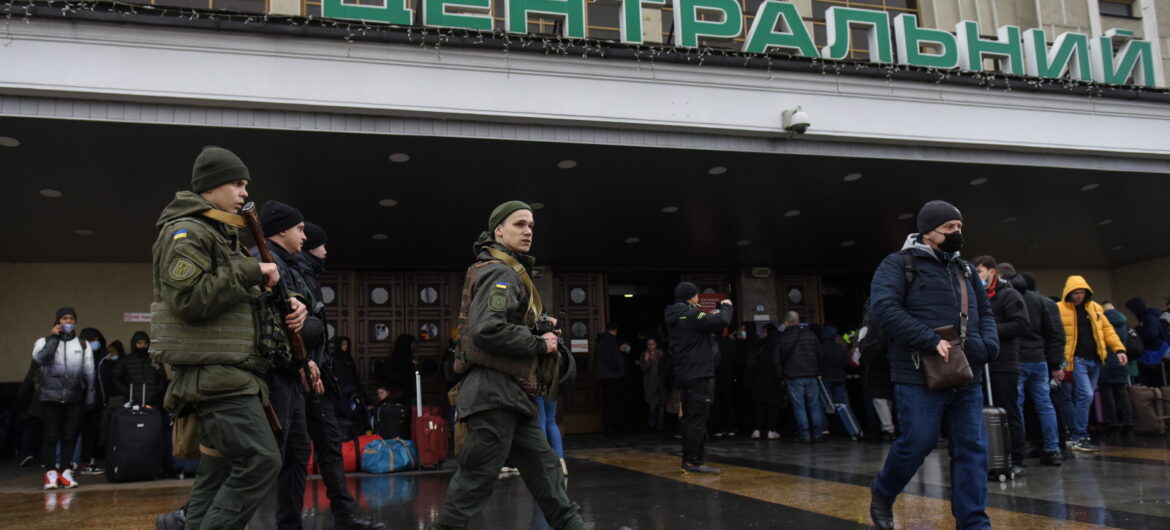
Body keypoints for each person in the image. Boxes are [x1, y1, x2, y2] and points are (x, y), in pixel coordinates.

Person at [150, 146, 302, 528]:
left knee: (218, 472)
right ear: (210, 186)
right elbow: (187, 299)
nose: (245, 193)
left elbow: (236, 299)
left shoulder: (221, 235)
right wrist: (251, 272)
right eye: (237, 183)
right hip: (217, 376)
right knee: (261, 459)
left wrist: (292, 305)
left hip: (234, 372)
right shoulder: (186, 232)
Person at [429, 201, 583, 530]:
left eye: (531, 226)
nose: (528, 231)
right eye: (519, 224)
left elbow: (497, 323)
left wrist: (538, 324)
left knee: (548, 476)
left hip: (514, 396)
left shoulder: (506, 270)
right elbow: (487, 329)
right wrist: (539, 343)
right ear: (498, 230)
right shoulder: (500, 271)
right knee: (472, 486)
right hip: (493, 395)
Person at [868, 200, 998, 530]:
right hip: (916, 374)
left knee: (972, 450)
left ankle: (974, 523)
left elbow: (986, 313)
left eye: (959, 227)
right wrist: (929, 339)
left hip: (965, 373)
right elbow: (884, 308)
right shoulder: (897, 264)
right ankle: (883, 492)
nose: (957, 234)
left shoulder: (965, 270)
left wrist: (987, 347)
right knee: (918, 443)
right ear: (928, 232)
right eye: (950, 228)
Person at [290, 221, 384, 530]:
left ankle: (344, 516)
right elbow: (295, 327)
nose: (326, 251)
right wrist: (304, 363)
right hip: (298, 378)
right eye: (321, 244)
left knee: (329, 446)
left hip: (320, 378)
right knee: (289, 453)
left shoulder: (310, 275)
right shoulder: (293, 272)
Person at [251, 200, 327, 530]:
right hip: (271, 373)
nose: (303, 236)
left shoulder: (289, 264)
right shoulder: (261, 262)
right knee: (264, 459)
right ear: (282, 230)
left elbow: (295, 314)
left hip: (291, 371)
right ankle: (192, 517)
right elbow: (265, 322)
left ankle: (290, 525)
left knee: (296, 453)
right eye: (299, 229)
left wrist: (305, 360)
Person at [664, 281, 732, 474]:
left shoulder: (679, 315)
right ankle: (695, 461)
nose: (698, 298)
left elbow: (700, 323)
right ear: (690, 296)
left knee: (690, 418)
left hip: (687, 373)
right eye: (696, 295)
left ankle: (689, 458)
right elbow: (722, 322)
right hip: (699, 374)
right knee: (698, 418)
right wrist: (726, 305)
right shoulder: (691, 314)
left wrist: (708, 316)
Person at [971, 255, 1030, 475]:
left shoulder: (1008, 294)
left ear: (991, 272)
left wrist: (990, 330)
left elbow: (1021, 324)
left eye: (979, 271)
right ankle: (990, 457)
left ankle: (1016, 458)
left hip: (1004, 363)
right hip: (983, 363)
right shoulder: (978, 297)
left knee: (1009, 411)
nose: (977, 276)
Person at [1057, 275, 1127, 452]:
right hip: (1076, 359)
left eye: (1081, 292)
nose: (1079, 296)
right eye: (1075, 292)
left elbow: (1107, 330)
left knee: (1082, 397)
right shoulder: (1059, 308)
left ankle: (1077, 433)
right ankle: (1080, 434)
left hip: (1094, 359)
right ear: (1068, 293)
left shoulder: (1095, 308)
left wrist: (1119, 349)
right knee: (1085, 396)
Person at [32, 307, 94, 489]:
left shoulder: (82, 344)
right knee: (50, 436)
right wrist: (53, 339)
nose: (68, 322)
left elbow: (89, 373)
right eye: (64, 319)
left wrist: (90, 399)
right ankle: (51, 472)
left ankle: (66, 470)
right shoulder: (43, 341)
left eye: (71, 319)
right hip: (50, 397)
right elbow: (41, 359)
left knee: (69, 436)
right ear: (58, 321)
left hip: (74, 398)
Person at [1008, 272, 1065, 466]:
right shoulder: (1042, 302)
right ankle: (1053, 449)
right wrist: (1055, 363)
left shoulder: (1010, 299)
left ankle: (1019, 450)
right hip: (1039, 359)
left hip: (1018, 358)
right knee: (1045, 405)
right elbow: (1054, 332)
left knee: (1018, 406)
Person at [779, 312, 824, 443]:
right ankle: (817, 433)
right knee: (814, 406)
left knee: (800, 407)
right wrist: (819, 371)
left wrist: (781, 375)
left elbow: (778, 358)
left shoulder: (783, 337)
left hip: (793, 376)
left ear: (787, 322)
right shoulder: (810, 335)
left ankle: (804, 435)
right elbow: (819, 354)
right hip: (812, 375)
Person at [77, 327, 109, 475]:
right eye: (91, 340)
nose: (95, 343)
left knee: (92, 432)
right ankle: (73, 462)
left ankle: (88, 461)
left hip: (96, 401)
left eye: (97, 340)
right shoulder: (77, 355)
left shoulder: (103, 358)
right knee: (75, 432)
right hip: (79, 401)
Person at [745, 324, 784, 440]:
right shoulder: (778, 345)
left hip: (759, 380)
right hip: (774, 380)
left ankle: (757, 430)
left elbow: (751, 363)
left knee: (760, 406)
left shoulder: (760, 344)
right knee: (773, 406)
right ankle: (771, 431)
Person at [1101, 305, 1135, 432]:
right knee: (1122, 392)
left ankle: (1112, 422)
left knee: (1107, 393)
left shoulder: (1102, 324)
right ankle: (1128, 421)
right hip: (1121, 360)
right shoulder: (1123, 324)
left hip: (1106, 362)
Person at [114, 331, 165, 409]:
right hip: (132, 401)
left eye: (145, 343)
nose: (143, 346)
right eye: (139, 343)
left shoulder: (155, 360)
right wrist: (129, 392)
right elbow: (116, 379)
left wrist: (156, 392)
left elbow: (162, 378)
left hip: (153, 402)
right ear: (134, 344)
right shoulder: (126, 360)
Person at [595, 321, 625, 436]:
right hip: (611, 376)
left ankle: (610, 426)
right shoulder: (608, 341)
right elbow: (609, 358)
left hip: (606, 375)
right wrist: (619, 368)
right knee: (612, 402)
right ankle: (610, 427)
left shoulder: (604, 340)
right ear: (615, 330)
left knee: (610, 402)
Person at [819, 325, 850, 427]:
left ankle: (826, 426)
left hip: (826, 377)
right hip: (840, 377)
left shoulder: (820, 347)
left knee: (824, 403)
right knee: (840, 403)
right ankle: (843, 425)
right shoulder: (840, 347)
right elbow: (845, 362)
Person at [377, 334, 419, 404]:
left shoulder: (402, 358)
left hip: (401, 394)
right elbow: (401, 376)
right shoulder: (401, 360)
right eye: (412, 344)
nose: (413, 346)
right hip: (400, 395)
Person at [638, 338, 667, 431]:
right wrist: (647, 360)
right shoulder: (644, 355)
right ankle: (652, 424)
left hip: (660, 382)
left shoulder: (660, 354)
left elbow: (665, 367)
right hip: (650, 383)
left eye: (652, 344)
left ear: (656, 345)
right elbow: (644, 369)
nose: (650, 346)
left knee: (662, 405)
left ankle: (661, 426)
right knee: (652, 406)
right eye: (649, 344)